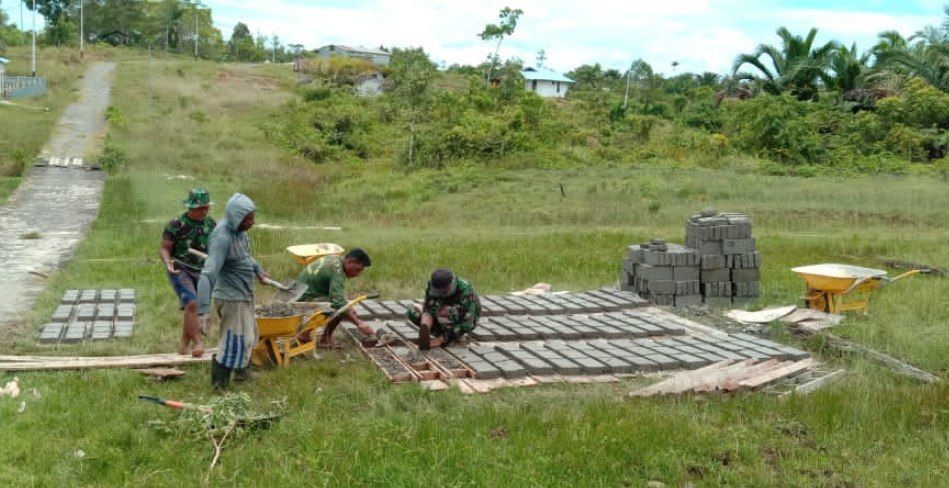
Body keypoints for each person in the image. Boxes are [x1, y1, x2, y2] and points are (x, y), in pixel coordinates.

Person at [197, 193, 271, 389]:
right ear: (236, 217)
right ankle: (219, 386)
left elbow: (244, 257)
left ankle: (241, 374)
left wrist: (259, 270)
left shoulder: (240, 233)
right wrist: (203, 310)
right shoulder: (222, 237)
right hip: (231, 298)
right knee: (233, 341)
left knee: (248, 338)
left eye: (253, 217)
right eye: (248, 218)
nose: (252, 222)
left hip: (243, 295)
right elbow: (207, 274)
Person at [160, 188, 215, 357]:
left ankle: (184, 346)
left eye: (206, 208)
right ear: (190, 208)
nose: (204, 211)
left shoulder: (210, 224)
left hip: (202, 270)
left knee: (192, 308)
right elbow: (164, 248)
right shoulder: (177, 224)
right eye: (200, 208)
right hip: (180, 268)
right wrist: (167, 261)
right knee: (192, 304)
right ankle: (198, 343)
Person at [297, 248, 373, 348]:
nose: (358, 274)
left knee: (344, 306)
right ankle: (324, 339)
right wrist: (359, 323)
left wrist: (349, 310)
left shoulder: (334, 259)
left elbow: (336, 294)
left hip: (299, 294)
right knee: (340, 307)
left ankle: (305, 334)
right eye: (358, 269)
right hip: (302, 302)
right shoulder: (337, 271)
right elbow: (338, 301)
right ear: (350, 262)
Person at [406, 269, 481, 348]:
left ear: (449, 287)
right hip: (441, 316)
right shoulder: (433, 285)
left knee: (443, 313)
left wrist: (440, 340)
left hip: (463, 321)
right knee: (413, 311)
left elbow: (468, 324)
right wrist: (425, 327)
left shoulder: (465, 290)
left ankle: (457, 339)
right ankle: (443, 333)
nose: (438, 294)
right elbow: (428, 307)